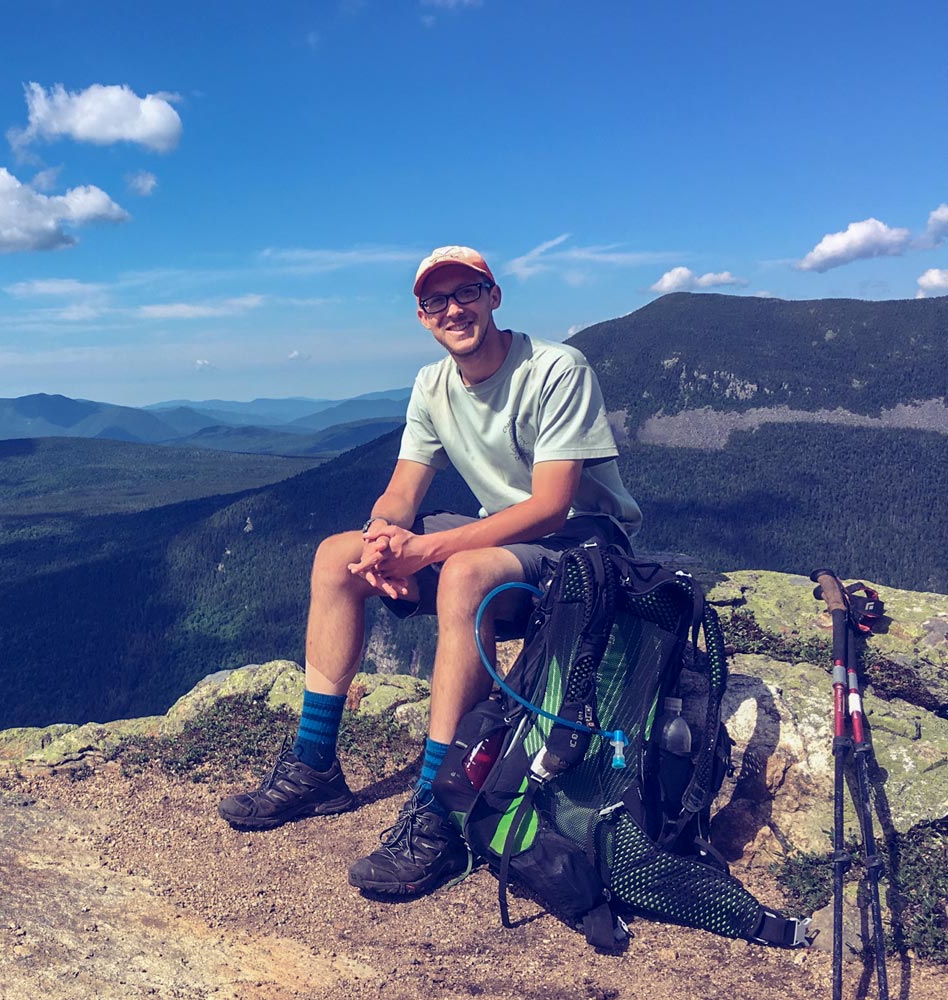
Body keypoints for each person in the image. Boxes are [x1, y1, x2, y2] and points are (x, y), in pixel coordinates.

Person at [217, 245, 642, 897]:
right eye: (434, 301)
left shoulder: (557, 368)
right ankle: (314, 766)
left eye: (466, 292)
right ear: (422, 317)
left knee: (466, 573)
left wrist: (432, 551)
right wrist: (385, 535)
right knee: (338, 557)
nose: (453, 309)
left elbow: (555, 504)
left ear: (494, 296)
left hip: (586, 550)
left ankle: (442, 812)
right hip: (503, 535)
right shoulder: (432, 386)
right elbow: (403, 489)